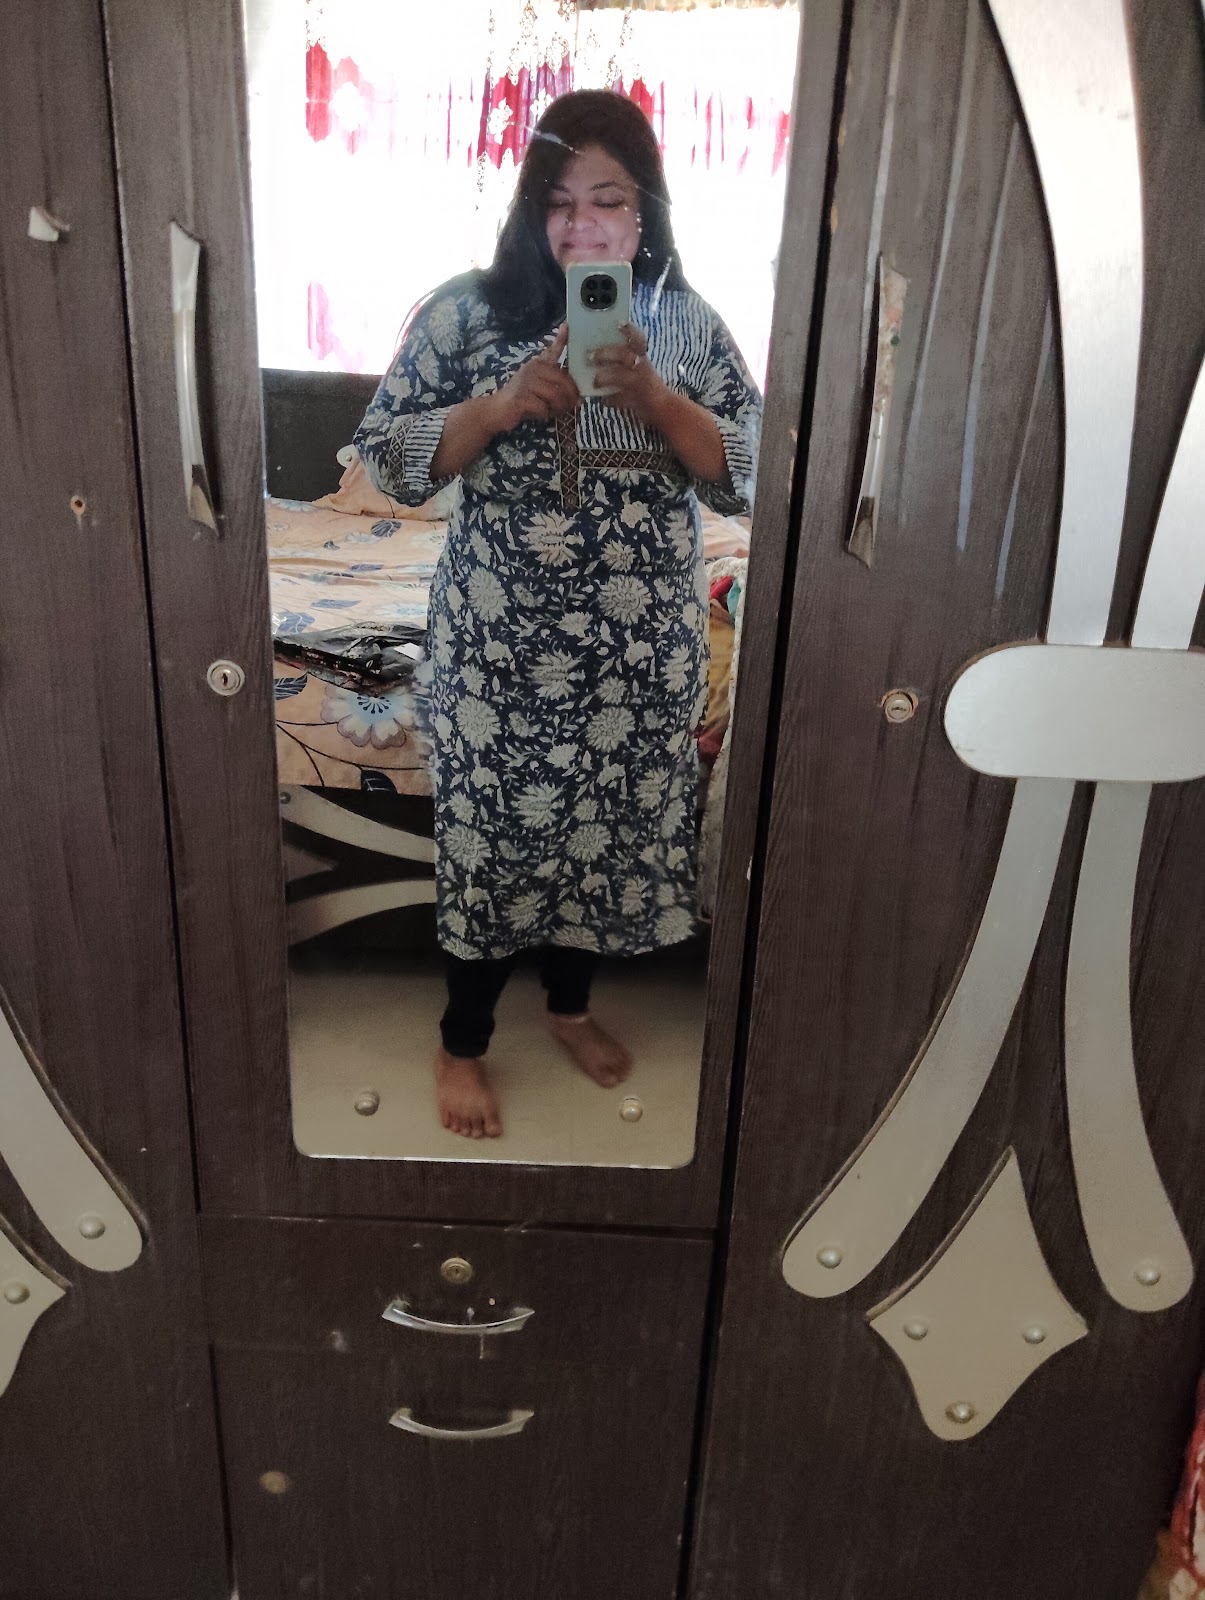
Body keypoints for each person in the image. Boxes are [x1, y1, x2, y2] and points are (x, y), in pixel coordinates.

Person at [355, 89, 761, 1140]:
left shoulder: (688, 324)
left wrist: (657, 401)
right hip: (499, 643)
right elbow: (389, 459)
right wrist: (497, 407)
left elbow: (753, 474)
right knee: (493, 841)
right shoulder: (468, 312)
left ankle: (569, 1007)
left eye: (607, 200)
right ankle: (461, 1041)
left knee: (605, 831)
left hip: (640, 650)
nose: (583, 226)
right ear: (530, 209)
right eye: (559, 200)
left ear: (644, 211)